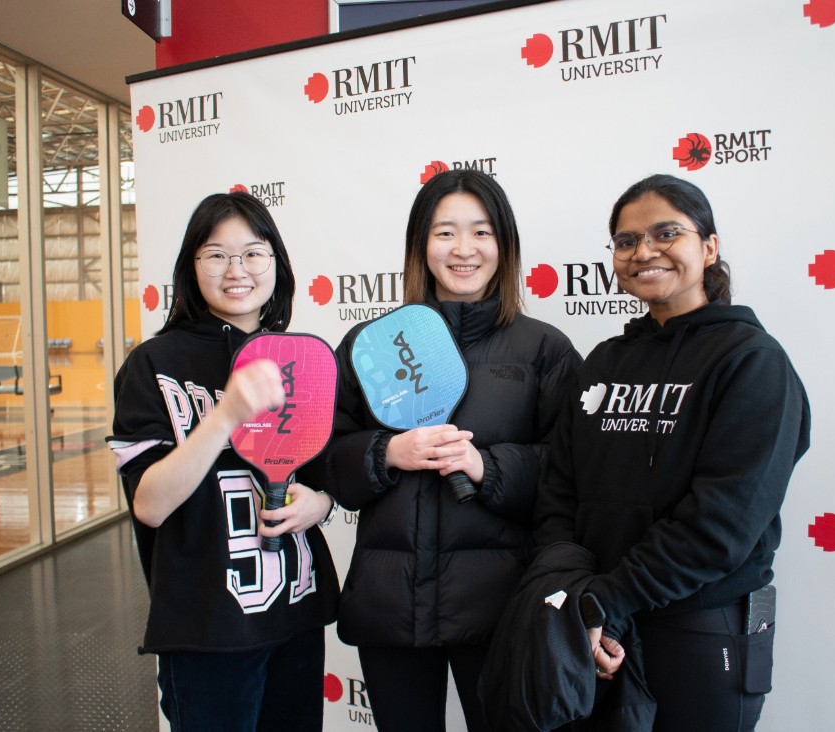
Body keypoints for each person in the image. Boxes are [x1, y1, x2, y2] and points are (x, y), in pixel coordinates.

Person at [534, 174, 811, 731]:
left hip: (699, 628)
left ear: (708, 247)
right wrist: (577, 596)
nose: (644, 251)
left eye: (666, 233)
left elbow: (722, 522)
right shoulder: (604, 363)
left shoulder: (752, 362)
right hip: (596, 632)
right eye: (626, 240)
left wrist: (606, 601)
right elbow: (557, 490)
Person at [324, 170, 583, 732]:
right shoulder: (369, 344)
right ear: (421, 245)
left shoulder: (546, 349)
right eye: (445, 233)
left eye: (481, 232)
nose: (463, 249)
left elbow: (573, 475)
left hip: (502, 610)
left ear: (504, 245)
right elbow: (327, 465)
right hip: (390, 608)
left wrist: (486, 467)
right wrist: (386, 452)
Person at [107, 191, 339, 731]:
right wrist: (226, 414)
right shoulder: (153, 363)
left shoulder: (297, 356)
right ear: (192, 267)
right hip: (206, 627)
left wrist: (320, 504)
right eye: (216, 254)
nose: (237, 270)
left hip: (294, 614)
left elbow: (327, 480)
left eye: (253, 253)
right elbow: (149, 505)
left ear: (275, 265)